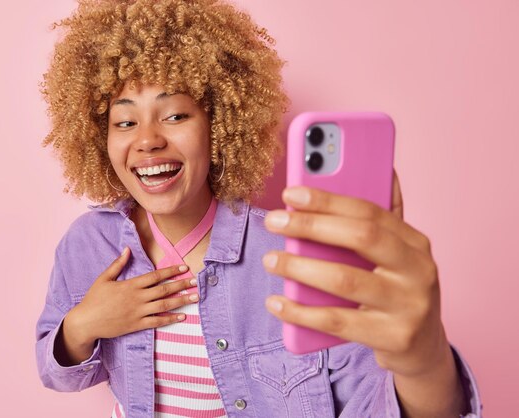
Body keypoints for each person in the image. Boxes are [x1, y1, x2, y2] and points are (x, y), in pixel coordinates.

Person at [35, 0, 481, 416]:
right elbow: (60, 373)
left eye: (175, 115)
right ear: (99, 137)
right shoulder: (87, 243)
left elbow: (372, 403)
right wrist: (82, 325)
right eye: (125, 122)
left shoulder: (293, 257)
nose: (148, 139)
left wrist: (424, 364)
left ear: (221, 125)